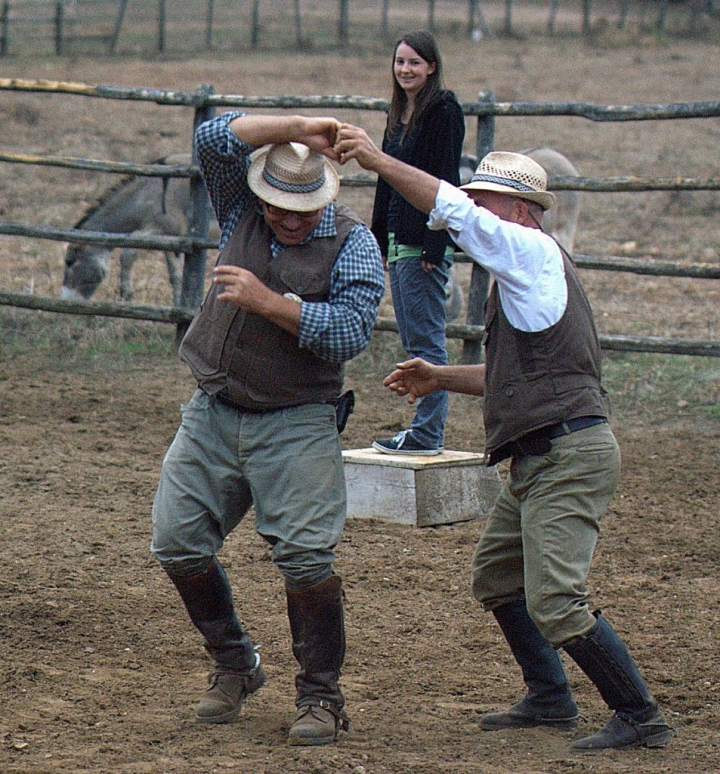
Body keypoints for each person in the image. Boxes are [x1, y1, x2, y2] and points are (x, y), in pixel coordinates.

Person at [333, 131, 675, 752]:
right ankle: (550, 698)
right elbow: (513, 376)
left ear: (522, 213)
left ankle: (640, 714)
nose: (476, 217)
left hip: (568, 455)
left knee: (558, 601)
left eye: (487, 203)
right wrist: (440, 378)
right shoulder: (525, 277)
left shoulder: (532, 254)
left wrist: (378, 161)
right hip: (547, 454)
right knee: (496, 576)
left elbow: (455, 214)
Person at [151, 111, 384, 746]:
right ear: (262, 194)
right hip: (215, 406)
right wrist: (300, 124)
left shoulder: (355, 244)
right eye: (277, 203)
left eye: (300, 207)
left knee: (307, 558)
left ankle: (321, 696)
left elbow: (350, 333)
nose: (286, 217)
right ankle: (235, 663)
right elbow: (211, 140)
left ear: (325, 199)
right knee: (176, 542)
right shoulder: (241, 212)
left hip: (298, 418)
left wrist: (270, 302)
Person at [369, 30, 465, 456]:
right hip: (396, 239)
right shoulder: (397, 114)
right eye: (400, 62)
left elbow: (446, 180)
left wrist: (434, 242)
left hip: (422, 241)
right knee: (414, 340)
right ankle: (422, 431)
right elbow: (386, 179)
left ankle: (428, 435)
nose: (405, 70)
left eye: (414, 63)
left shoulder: (443, 111)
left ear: (432, 67)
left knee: (427, 342)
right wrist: (376, 236)